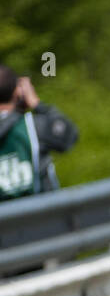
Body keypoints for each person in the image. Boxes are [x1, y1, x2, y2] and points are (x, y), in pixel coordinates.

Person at [0, 66, 79, 201]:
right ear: (17, 93)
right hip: (44, 217)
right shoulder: (32, 127)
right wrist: (36, 103)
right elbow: (69, 135)